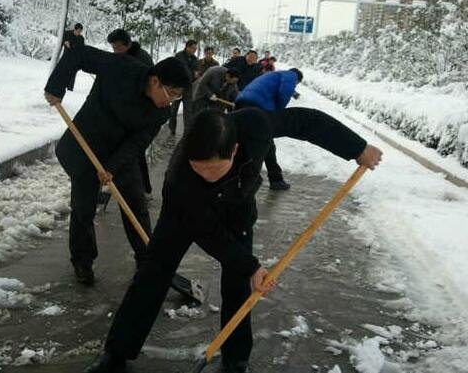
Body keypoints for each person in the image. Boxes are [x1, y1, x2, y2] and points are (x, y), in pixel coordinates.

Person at [84, 107, 382, 373]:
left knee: (238, 283)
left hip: (237, 207)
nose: (209, 176)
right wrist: (252, 265)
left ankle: (236, 357)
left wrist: (356, 147)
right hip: (185, 214)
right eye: (200, 169)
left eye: (215, 168)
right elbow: (207, 232)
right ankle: (117, 353)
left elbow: (306, 121)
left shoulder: (255, 126)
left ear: (235, 148)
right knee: (152, 274)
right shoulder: (180, 178)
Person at [43, 39, 191, 286]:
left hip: (120, 153)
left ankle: (148, 262)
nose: (172, 102)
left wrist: (112, 167)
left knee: (135, 204)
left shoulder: (161, 111)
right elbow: (77, 54)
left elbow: (137, 142)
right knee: (84, 205)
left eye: (178, 97)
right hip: (85, 145)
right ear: (155, 81)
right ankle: (83, 261)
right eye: (172, 94)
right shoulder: (120, 67)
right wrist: (56, 86)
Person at [105, 28, 154, 198]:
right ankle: (143, 188)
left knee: (130, 154)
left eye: (116, 47)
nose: (114, 51)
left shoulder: (140, 60)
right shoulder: (128, 56)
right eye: (112, 48)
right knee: (134, 154)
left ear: (126, 44)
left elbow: (141, 88)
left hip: (137, 114)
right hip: (128, 112)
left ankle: (134, 190)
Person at [236, 68, 303, 190]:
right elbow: (285, 92)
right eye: (296, 84)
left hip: (242, 103)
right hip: (258, 107)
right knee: (266, 142)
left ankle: (235, 176)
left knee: (242, 140)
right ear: (297, 79)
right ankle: (275, 179)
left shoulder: (273, 75)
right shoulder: (291, 75)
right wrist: (278, 112)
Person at [170, 39, 199, 134]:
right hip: (177, 86)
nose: (194, 50)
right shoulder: (179, 56)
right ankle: (172, 129)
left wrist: (196, 74)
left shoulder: (195, 59)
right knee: (174, 109)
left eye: (196, 49)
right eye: (193, 48)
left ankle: (186, 132)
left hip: (188, 88)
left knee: (188, 111)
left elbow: (196, 71)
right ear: (187, 47)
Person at [62, 23, 84, 91]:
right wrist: (66, 43)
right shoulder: (67, 34)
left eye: (80, 31)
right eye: (78, 31)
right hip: (66, 56)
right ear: (74, 29)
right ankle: (63, 85)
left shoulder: (81, 38)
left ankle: (70, 88)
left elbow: (81, 49)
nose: (79, 33)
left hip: (75, 58)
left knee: (73, 73)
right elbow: (64, 42)